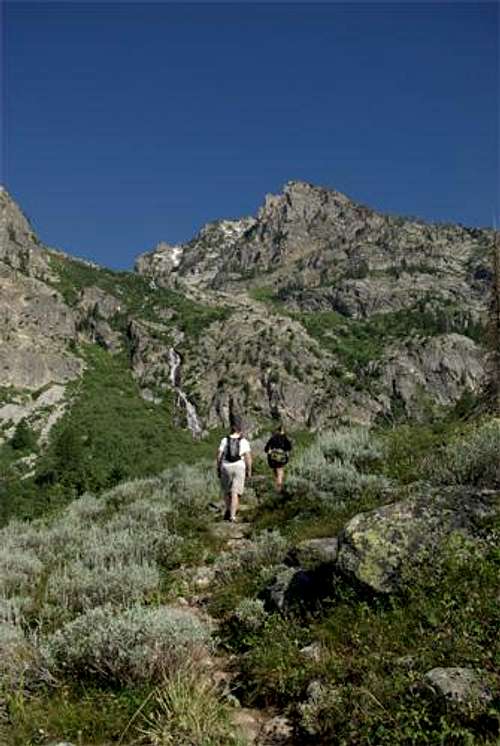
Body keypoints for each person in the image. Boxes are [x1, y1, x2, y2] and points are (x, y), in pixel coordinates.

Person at [217, 415, 252, 522]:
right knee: (235, 492)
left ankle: (227, 510)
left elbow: (219, 455)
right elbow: (248, 457)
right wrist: (249, 470)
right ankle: (232, 516)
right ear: (240, 430)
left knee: (227, 491)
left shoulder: (224, 440)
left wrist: (218, 468)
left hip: (226, 466)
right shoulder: (244, 441)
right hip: (239, 466)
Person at [264, 424, 292, 492]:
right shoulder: (284, 438)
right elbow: (289, 448)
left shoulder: (273, 437)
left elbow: (266, 449)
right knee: (280, 472)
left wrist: (270, 452)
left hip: (272, 457)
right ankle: (279, 489)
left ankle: (275, 488)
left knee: (275, 472)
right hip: (281, 457)